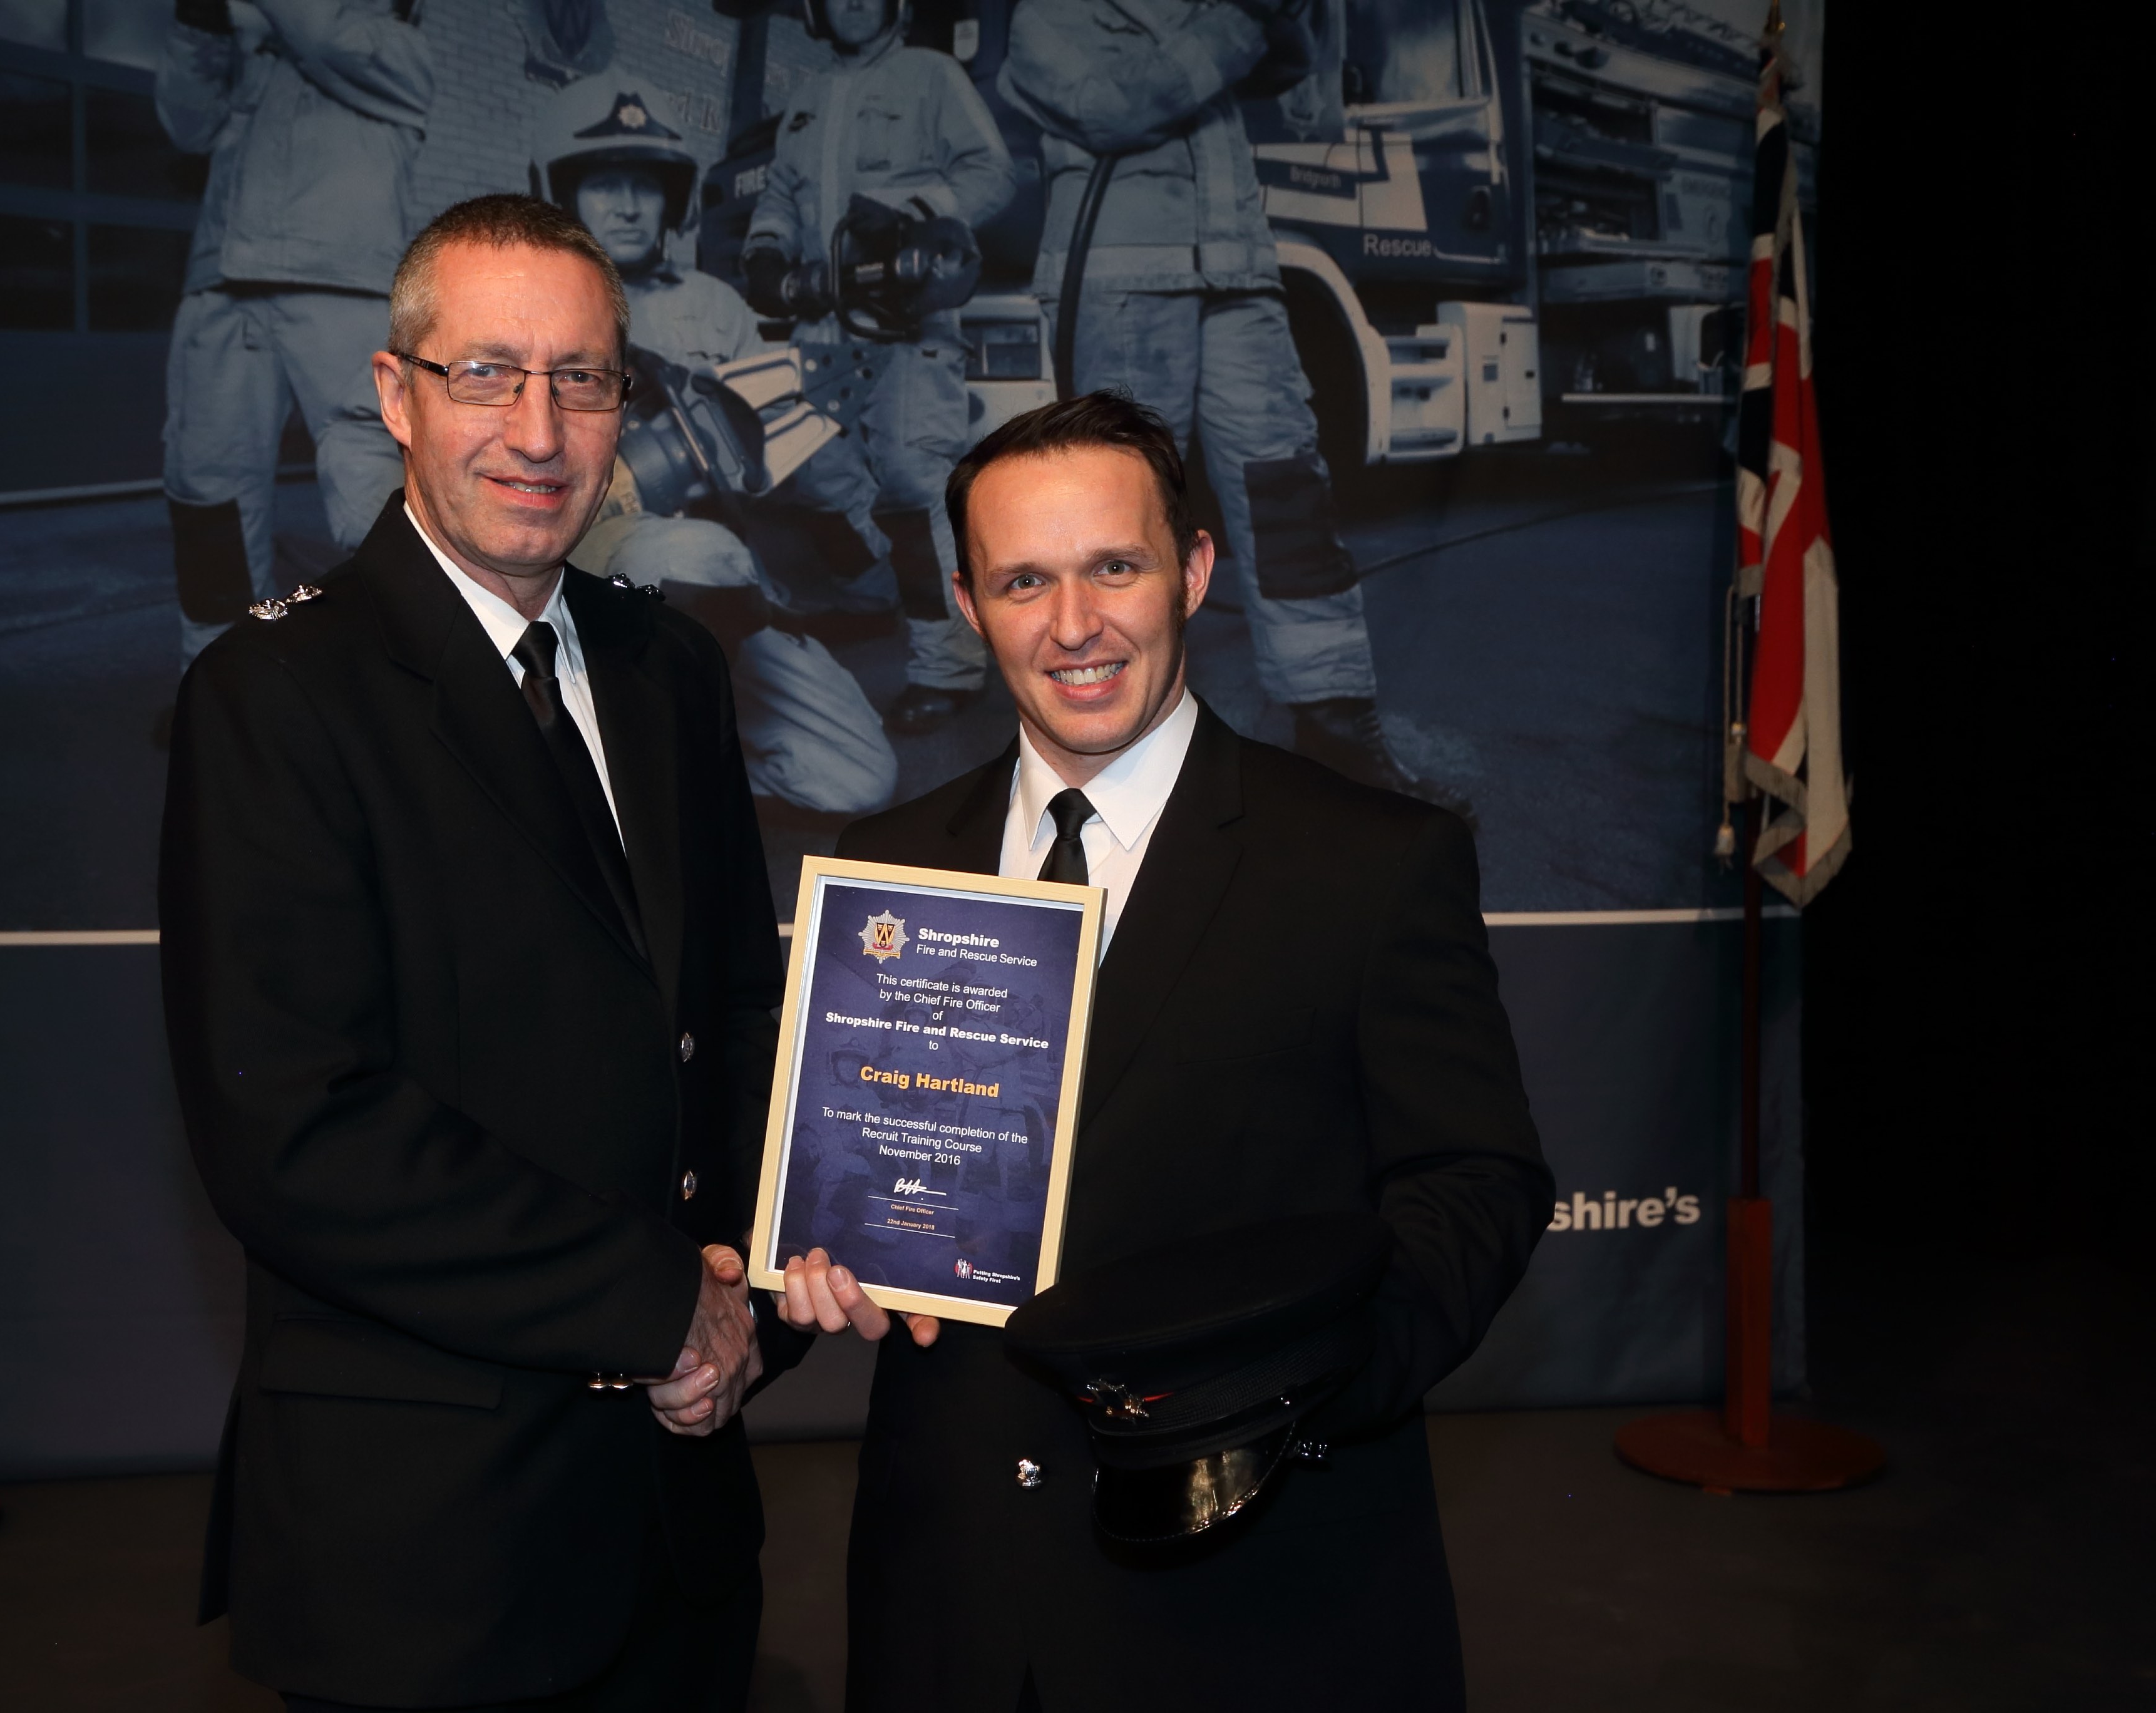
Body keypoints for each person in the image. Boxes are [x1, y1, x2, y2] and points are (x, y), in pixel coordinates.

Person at [775, 392, 1551, 1710]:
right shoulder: (887, 867)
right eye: (1024, 580)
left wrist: (1286, 1398)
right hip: (953, 1606)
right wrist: (815, 1255)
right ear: (967, 605)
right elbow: (862, 1178)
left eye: (1113, 567)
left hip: (1253, 1598)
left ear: (1194, 569)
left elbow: (1477, 1185)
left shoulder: (1369, 864)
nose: (1073, 626)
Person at [160, 194, 796, 1712]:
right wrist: (659, 1302)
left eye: (584, 377)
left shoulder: (667, 668)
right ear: (395, 395)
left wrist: (760, 1296)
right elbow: (295, 1128)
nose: (541, 427)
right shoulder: (277, 692)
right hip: (429, 1536)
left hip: (677, 1503)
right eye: (488, 373)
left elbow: (739, 1021)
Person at [1001, 0, 1473, 816]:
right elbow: (1117, 106)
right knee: (1122, 525)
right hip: (1125, 285)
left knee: (1289, 492)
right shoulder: (1050, 14)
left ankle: (1336, 724)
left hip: (1237, 270)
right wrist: (1235, 23)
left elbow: (1283, 65)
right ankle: (1121, 752)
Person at [536, 71, 898, 817]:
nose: (631, 205)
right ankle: (585, 772)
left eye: (647, 184)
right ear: (564, 194)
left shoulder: (714, 307)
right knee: (684, 555)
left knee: (860, 776)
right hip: (579, 571)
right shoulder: (523, 305)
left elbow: (783, 446)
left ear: (675, 197)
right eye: (607, 183)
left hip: (722, 579)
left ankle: (672, 775)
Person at [741, 0, 1015, 736]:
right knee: (812, 473)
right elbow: (780, 195)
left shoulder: (930, 75)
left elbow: (994, 172)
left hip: (907, 324)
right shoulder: (808, 97)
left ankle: (945, 668)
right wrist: (766, 251)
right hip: (823, 328)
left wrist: (911, 216)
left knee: (909, 488)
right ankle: (871, 598)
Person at [155, 0, 431, 673]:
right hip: (224, 287)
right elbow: (186, 125)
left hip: (341, 289)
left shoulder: (399, 48)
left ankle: (412, 678)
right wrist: (201, 27)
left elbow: (324, 35)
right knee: (209, 502)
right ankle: (220, 684)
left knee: (372, 492)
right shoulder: (260, 43)